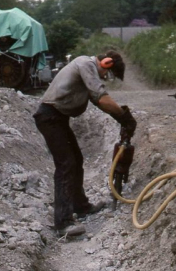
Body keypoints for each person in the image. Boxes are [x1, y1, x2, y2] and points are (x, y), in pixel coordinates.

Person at [33, 50, 137, 237]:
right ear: (105, 63)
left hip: (58, 118)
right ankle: (63, 222)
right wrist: (124, 116)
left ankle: (80, 206)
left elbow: (100, 102)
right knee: (66, 165)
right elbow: (101, 97)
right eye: (108, 73)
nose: (105, 77)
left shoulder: (86, 70)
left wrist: (121, 117)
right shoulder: (86, 64)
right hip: (49, 117)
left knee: (76, 160)